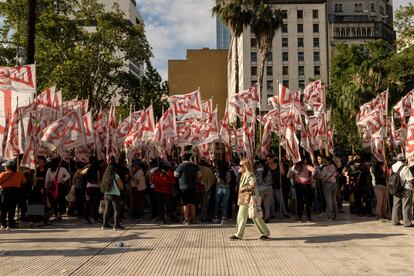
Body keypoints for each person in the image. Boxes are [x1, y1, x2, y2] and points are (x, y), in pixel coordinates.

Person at [231, 158, 270, 240]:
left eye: (241, 165)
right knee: (245, 216)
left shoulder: (249, 175)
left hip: (249, 198)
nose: (239, 167)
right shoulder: (244, 174)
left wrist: (244, 188)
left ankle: (264, 233)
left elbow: (253, 185)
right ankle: (239, 234)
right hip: (244, 198)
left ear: (245, 166)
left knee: (254, 216)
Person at [174, 154, 200, 225]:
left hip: (183, 188)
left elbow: (175, 175)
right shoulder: (194, 165)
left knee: (185, 204)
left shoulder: (180, 166)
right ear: (189, 158)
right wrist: (195, 179)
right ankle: (193, 219)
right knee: (192, 204)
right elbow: (199, 175)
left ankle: (186, 220)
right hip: (192, 187)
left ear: (183, 159)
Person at [0, 160, 26, 230]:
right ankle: (10, 223)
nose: (5, 167)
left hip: (5, 192)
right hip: (15, 193)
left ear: (8, 167)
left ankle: (3, 223)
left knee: (3, 209)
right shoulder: (19, 174)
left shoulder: (3, 174)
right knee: (12, 208)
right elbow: (24, 181)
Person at [45, 157, 71, 222]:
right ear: (59, 162)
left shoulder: (49, 169)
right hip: (60, 187)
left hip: (52, 188)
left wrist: (46, 187)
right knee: (60, 201)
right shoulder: (62, 169)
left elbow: (47, 180)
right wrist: (63, 180)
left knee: (54, 202)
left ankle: (56, 216)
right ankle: (60, 215)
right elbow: (68, 175)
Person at [391, 154, 414, 227]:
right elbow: (410, 178)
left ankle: (395, 221)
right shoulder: (405, 167)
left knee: (396, 205)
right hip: (406, 188)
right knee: (406, 206)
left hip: (395, 188)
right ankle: (407, 222)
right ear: (404, 160)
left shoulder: (392, 166)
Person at [101, 164, 125, 230]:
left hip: (106, 194)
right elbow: (121, 185)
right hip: (115, 195)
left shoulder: (105, 176)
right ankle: (116, 225)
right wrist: (122, 188)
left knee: (107, 210)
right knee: (117, 210)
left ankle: (104, 225)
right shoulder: (115, 175)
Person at [317, 155, 338, 221]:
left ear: (329, 161)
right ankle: (335, 215)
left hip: (327, 185)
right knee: (334, 200)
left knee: (329, 201)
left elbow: (321, 177)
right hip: (334, 184)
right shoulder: (334, 167)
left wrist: (318, 170)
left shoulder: (324, 168)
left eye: (325, 161)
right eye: (323, 161)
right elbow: (336, 174)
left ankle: (329, 216)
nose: (324, 162)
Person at [213, 160, 231, 224]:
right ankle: (224, 219)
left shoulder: (217, 172)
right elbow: (229, 181)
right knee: (225, 204)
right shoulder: (228, 172)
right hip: (226, 188)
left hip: (219, 188)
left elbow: (215, 180)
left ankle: (216, 218)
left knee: (217, 204)